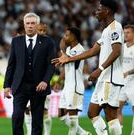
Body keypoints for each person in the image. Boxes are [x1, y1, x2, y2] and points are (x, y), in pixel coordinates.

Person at [52, 0, 124, 134]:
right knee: (92, 112)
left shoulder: (116, 27)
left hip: (110, 77)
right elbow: (92, 51)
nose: (96, 12)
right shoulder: (106, 30)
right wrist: (68, 58)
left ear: (107, 11)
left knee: (110, 115)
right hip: (103, 78)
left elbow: (116, 51)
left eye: (99, 9)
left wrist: (100, 69)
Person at [3, 13, 56, 135]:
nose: (30, 26)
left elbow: (51, 65)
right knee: (16, 117)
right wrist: (6, 85)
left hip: (39, 87)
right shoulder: (16, 41)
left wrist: (45, 81)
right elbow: (11, 65)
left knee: (37, 121)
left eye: (33, 23)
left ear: (37, 25)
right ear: (24, 25)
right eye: (27, 23)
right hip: (20, 86)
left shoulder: (48, 42)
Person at [57, 27, 91, 135]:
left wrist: (62, 51)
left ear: (74, 37)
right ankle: (83, 133)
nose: (64, 37)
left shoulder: (79, 49)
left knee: (72, 118)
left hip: (75, 88)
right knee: (61, 115)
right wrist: (58, 81)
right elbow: (66, 68)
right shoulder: (68, 49)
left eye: (67, 35)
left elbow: (65, 58)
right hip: (67, 87)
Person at [24, 23, 52, 135]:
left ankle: (47, 133)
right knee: (27, 110)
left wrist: (46, 80)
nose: (42, 32)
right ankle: (29, 132)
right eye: (40, 30)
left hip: (43, 84)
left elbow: (51, 65)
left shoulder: (48, 45)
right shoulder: (29, 43)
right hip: (27, 84)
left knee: (43, 111)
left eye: (43, 30)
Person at [116, 24, 134, 135]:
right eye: (124, 32)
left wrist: (128, 72)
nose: (125, 34)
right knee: (118, 109)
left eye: (128, 32)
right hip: (121, 84)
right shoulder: (121, 47)